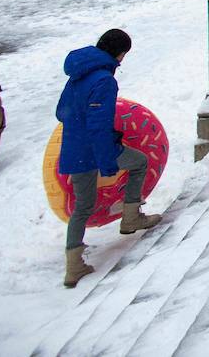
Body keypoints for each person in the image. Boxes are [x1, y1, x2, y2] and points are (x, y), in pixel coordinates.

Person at [56, 29, 162, 288]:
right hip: (95, 149)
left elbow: (62, 112)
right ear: (120, 53)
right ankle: (131, 217)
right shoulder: (104, 80)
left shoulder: (79, 72)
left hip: (73, 148)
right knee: (138, 163)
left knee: (82, 206)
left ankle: (73, 266)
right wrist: (107, 158)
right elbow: (99, 125)